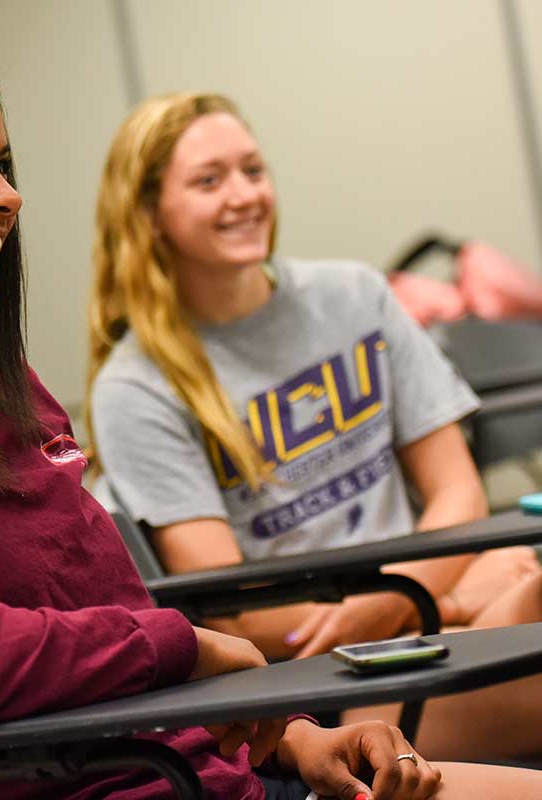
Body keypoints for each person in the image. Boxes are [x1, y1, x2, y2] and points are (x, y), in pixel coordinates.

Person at [0, 28, 542, 800]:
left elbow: (108, 621)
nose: (7, 193)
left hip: (219, 762)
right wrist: (185, 646)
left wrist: (296, 739)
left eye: (4, 163)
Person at [87, 92, 542, 761]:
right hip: (337, 685)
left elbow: (458, 494)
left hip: (434, 607)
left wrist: (416, 600)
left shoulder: (355, 295)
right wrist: (414, 603)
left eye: (253, 169)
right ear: (149, 213)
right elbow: (234, 611)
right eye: (209, 180)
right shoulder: (136, 387)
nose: (244, 195)